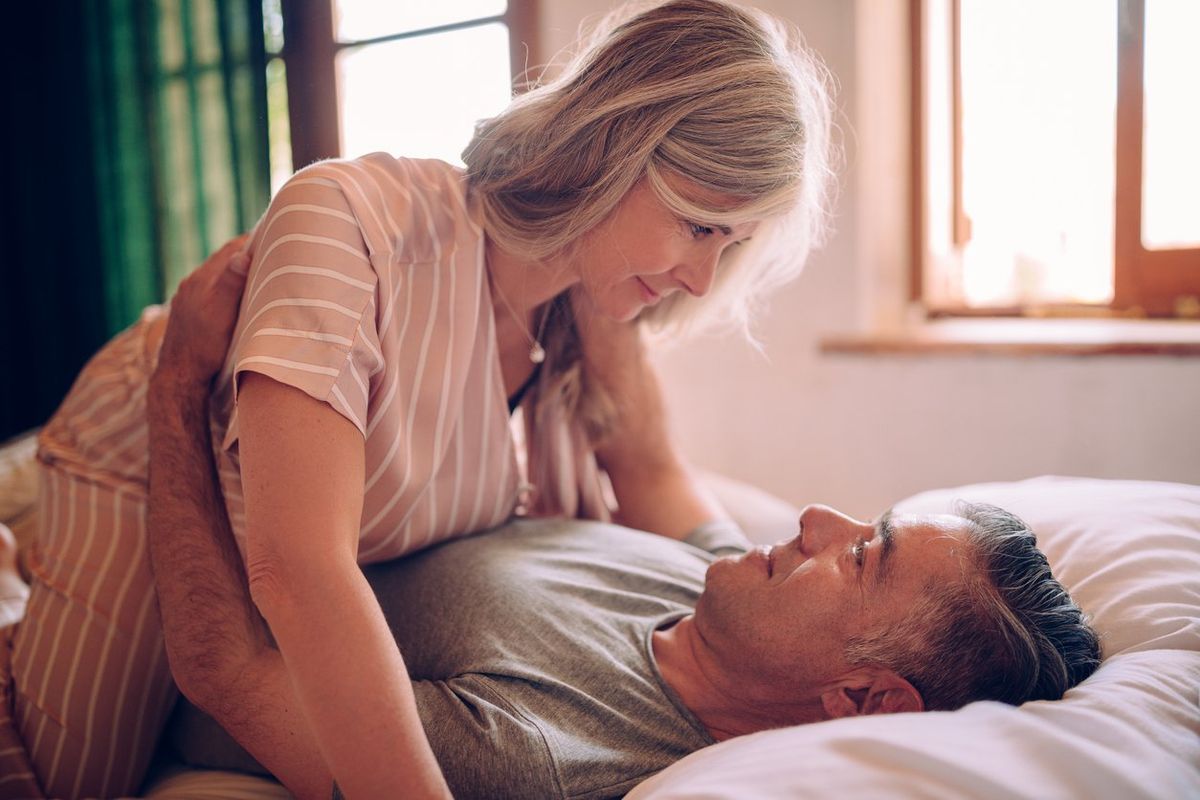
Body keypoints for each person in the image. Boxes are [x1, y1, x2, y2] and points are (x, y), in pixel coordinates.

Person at [3, 1, 836, 796]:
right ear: (613, 142)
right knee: (79, 779)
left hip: (283, 514)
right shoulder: (346, 224)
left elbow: (655, 474)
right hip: (145, 445)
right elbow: (298, 574)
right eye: (698, 227)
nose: (698, 279)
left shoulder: (596, 298)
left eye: (727, 246)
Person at [144, 243, 1102, 800]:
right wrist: (596, 237)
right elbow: (642, 455)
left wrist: (180, 377)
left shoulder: (548, 752)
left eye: (860, 557)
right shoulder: (732, 594)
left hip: (183, 573)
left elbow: (228, 673)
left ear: (862, 701)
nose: (815, 516)